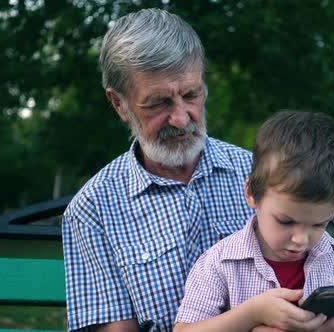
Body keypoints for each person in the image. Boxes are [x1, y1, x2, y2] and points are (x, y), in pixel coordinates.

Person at [61, 8, 256, 332]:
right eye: (158, 103)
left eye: (191, 95)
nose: (181, 118)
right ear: (119, 103)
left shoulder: (258, 172)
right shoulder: (93, 210)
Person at [174, 111, 334, 332]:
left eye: (319, 224)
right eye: (285, 221)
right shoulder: (219, 263)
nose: (300, 239)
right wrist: (252, 314)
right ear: (252, 193)